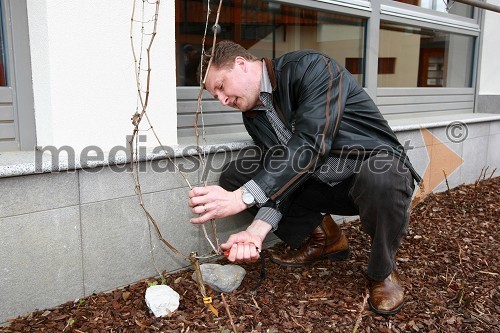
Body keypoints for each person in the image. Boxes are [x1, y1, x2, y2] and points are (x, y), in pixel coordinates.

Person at [187, 40, 421, 315]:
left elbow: (310, 145)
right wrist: (257, 231)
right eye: (216, 96)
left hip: (370, 171)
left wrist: (243, 197)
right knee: (238, 174)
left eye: (221, 87)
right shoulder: (253, 116)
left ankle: (383, 272)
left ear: (241, 64)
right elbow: (281, 171)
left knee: (382, 175)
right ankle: (326, 239)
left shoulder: (311, 68)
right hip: (320, 183)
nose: (223, 100)